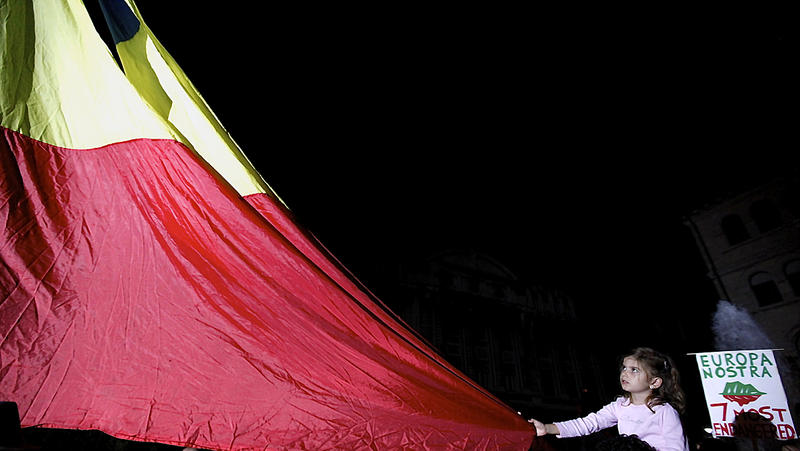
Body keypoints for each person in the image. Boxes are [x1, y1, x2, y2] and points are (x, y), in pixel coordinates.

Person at [528, 347, 689, 451]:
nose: (625, 373)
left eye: (634, 370)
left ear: (654, 382)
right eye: (624, 368)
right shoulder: (620, 406)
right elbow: (589, 423)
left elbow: (676, 448)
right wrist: (547, 428)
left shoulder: (664, 411)